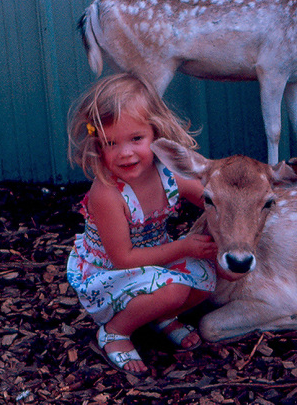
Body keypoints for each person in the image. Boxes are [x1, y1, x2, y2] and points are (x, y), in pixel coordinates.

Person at [66, 73, 217, 376]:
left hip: (154, 259)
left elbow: (211, 199)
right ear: (98, 145)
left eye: (136, 138)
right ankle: (115, 332)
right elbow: (123, 258)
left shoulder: (169, 174)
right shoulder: (107, 193)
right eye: (111, 143)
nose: (125, 153)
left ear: (156, 133)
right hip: (110, 273)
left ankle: (159, 317)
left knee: (209, 275)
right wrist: (185, 247)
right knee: (174, 290)